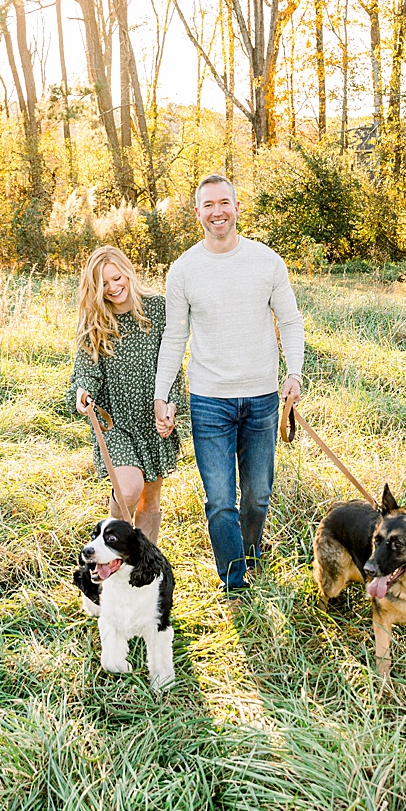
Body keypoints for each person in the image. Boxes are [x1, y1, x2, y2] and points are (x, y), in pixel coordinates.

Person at [153, 174, 304, 594]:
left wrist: (294, 373)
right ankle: (235, 581)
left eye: (225, 202)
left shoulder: (267, 261)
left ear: (237, 208)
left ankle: (251, 551)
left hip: (262, 398)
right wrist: (161, 393)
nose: (217, 211)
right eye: (208, 205)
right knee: (220, 500)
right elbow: (174, 335)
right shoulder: (183, 270)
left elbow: (290, 320)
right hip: (208, 401)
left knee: (257, 495)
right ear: (197, 212)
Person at [68, 246, 185, 542]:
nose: (113, 288)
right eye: (103, 284)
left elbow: (172, 365)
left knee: (150, 498)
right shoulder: (95, 321)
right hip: (115, 422)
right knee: (129, 488)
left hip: (153, 418)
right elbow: (84, 373)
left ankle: (144, 566)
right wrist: (83, 394)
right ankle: (114, 553)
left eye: (116, 278)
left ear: (128, 273)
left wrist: (170, 408)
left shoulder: (157, 309)